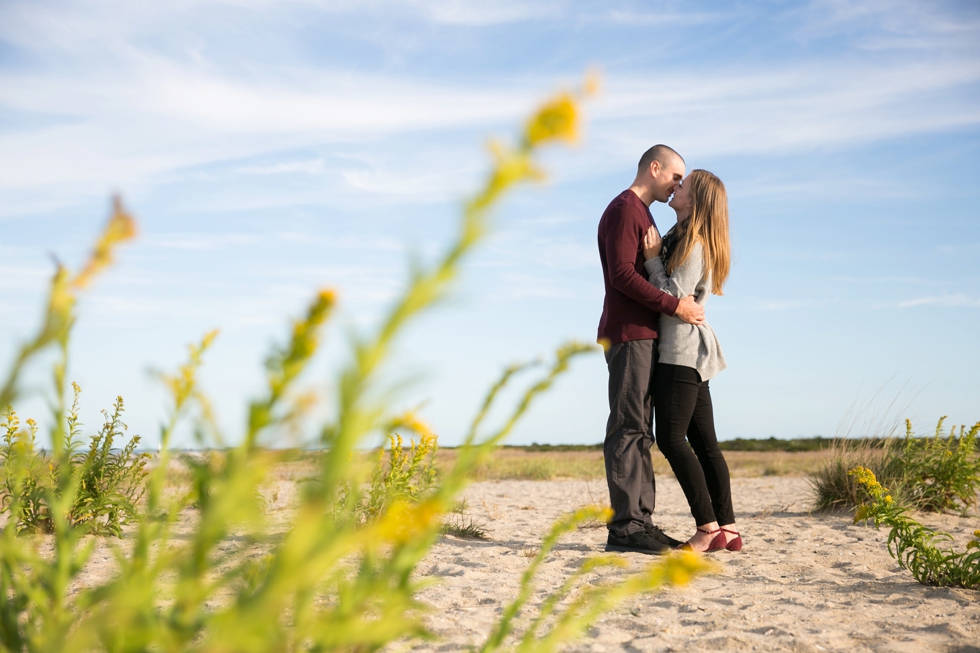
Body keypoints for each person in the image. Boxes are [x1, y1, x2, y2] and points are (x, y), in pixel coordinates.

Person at [597, 145, 706, 555]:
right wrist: (675, 304)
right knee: (628, 429)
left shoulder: (642, 213)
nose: (678, 184)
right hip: (628, 333)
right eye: (675, 176)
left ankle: (640, 522)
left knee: (640, 430)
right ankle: (625, 528)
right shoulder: (626, 208)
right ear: (654, 167)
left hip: (643, 335)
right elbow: (623, 274)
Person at [641, 168, 741, 553]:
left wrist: (651, 260)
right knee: (704, 442)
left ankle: (707, 528)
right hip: (690, 351)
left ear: (695, 200)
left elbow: (673, 300)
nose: (676, 188)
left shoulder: (694, 243)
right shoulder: (683, 236)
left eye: (683, 186)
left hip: (681, 350)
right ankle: (728, 530)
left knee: (670, 438)